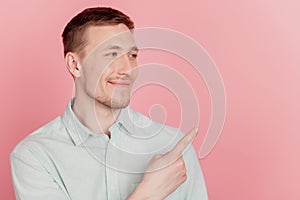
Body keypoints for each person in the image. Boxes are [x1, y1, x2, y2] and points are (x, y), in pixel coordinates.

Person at [10, 7, 208, 200]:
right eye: (111, 54)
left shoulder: (172, 146)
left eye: (132, 56)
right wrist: (148, 194)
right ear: (75, 65)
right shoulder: (34, 156)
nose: (128, 69)